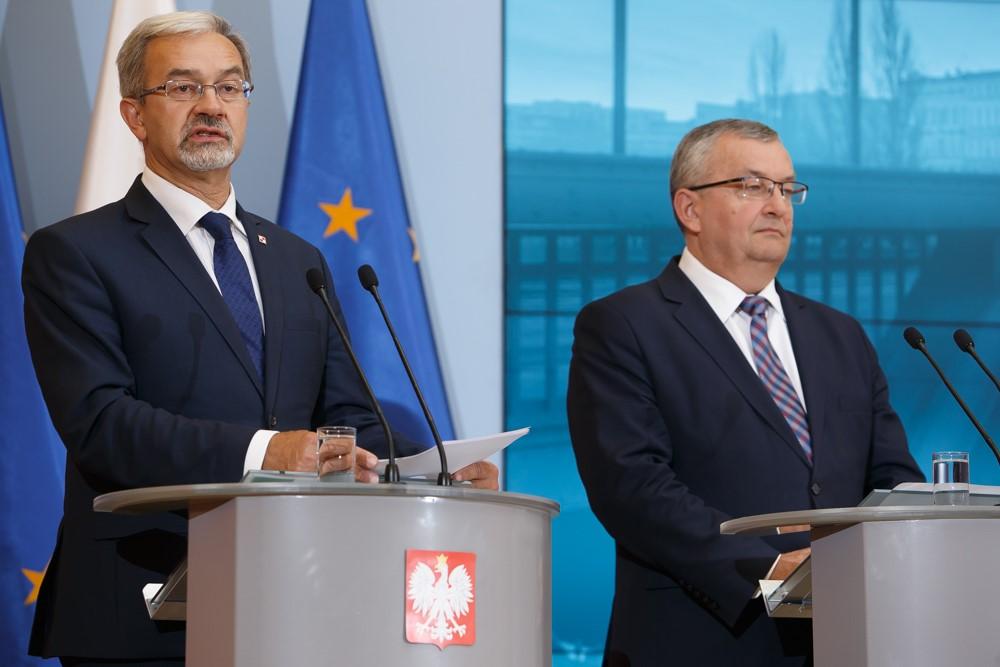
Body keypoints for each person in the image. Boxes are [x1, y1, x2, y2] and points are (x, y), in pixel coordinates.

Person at [22, 11, 497, 665]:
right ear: (135, 115)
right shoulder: (77, 253)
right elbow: (103, 426)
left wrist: (432, 469)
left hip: (296, 598)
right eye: (183, 87)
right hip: (142, 604)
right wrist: (271, 450)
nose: (210, 105)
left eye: (229, 86)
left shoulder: (296, 259)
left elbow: (349, 416)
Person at [566, 118, 923, 666]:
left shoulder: (841, 335)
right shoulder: (623, 325)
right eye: (752, 186)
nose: (778, 205)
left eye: (787, 188)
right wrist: (773, 573)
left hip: (851, 640)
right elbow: (632, 487)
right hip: (702, 641)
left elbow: (892, 479)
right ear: (690, 209)